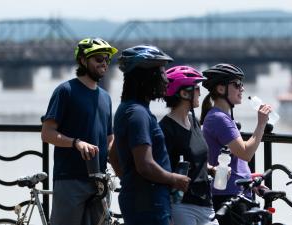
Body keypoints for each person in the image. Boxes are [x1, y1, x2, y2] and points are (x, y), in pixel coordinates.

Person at [109, 45, 190, 225]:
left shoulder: (128, 109)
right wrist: (174, 179)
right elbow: (145, 164)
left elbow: (113, 155)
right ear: (146, 77)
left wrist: (132, 183)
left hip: (142, 200)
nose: (167, 80)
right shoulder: (138, 114)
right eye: (162, 73)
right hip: (150, 205)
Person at [41, 37, 118, 225]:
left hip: (99, 182)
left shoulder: (105, 98)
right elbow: (47, 133)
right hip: (70, 179)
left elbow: (109, 137)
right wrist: (76, 143)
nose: (105, 63)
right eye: (99, 59)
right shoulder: (65, 91)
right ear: (83, 60)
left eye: (107, 59)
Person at [200, 63, 272, 225]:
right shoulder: (219, 118)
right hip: (229, 197)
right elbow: (245, 153)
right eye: (237, 84)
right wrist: (261, 124)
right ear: (220, 89)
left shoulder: (222, 117)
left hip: (237, 192)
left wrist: (250, 180)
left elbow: (235, 159)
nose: (242, 89)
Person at [159, 66, 219, 225]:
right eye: (197, 88)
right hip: (181, 205)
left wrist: (211, 169)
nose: (200, 92)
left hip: (206, 202)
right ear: (184, 93)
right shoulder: (165, 129)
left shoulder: (194, 122)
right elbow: (161, 169)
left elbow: (195, 159)